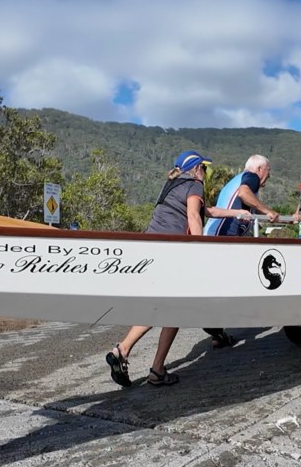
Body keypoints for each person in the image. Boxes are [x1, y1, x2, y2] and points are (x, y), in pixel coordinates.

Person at [105, 150, 252, 388]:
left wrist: (237, 212)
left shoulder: (173, 185)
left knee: (161, 306)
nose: (205, 173)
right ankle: (156, 369)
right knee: (174, 310)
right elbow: (194, 217)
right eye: (204, 168)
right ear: (196, 169)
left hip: (151, 248)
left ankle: (123, 350)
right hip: (172, 252)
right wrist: (202, 251)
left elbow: (207, 211)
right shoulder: (194, 184)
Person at [201, 154, 281, 347]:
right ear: (261, 169)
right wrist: (267, 211)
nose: (267, 178)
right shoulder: (251, 177)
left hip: (217, 234)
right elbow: (244, 193)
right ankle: (213, 321)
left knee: (225, 280)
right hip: (222, 236)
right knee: (235, 280)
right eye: (268, 173)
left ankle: (217, 331)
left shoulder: (239, 180)